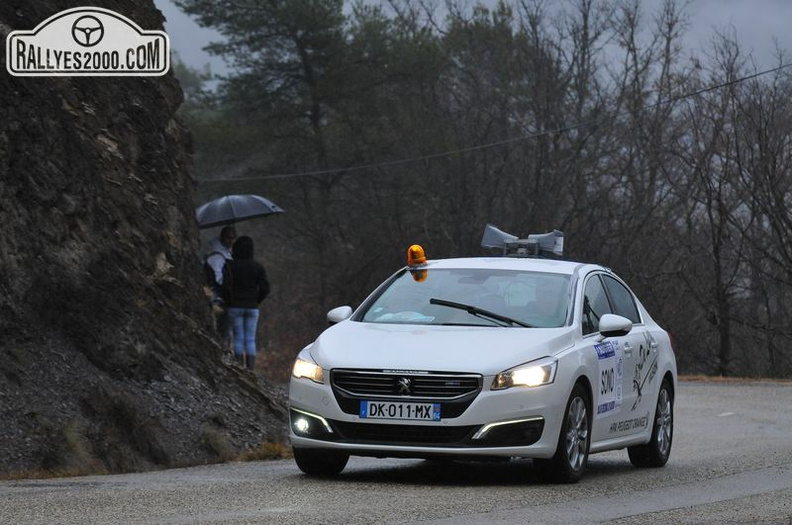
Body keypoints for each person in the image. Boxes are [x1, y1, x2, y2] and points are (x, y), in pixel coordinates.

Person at [221, 236, 270, 370]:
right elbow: (265, 288)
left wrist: (229, 301)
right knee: (250, 339)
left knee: (238, 338)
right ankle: (250, 370)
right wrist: (256, 300)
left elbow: (225, 286)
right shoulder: (257, 266)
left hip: (235, 306)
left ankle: (239, 367)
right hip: (252, 307)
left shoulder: (230, 265)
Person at [205, 226, 236, 347]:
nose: (231, 241)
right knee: (222, 330)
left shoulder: (226, 254)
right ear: (222, 237)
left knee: (225, 331)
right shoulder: (217, 257)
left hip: (223, 298)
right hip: (219, 299)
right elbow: (219, 279)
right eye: (229, 238)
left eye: (233, 238)